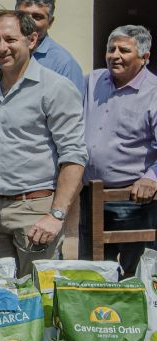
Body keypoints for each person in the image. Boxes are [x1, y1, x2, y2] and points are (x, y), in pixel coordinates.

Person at [0, 10, 86, 275]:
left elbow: (74, 155)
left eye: (10, 39)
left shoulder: (56, 88)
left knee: (38, 297)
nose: (2, 48)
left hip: (35, 211)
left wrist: (56, 215)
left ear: (32, 40)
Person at [80, 25, 157, 274]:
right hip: (90, 195)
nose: (115, 55)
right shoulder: (92, 81)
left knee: (130, 276)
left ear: (145, 57)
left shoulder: (153, 92)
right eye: (111, 49)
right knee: (92, 271)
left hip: (132, 200)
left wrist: (151, 177)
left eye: (124, 50)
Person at [0, 0, 83, 93]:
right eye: (23, 15)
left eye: (37, 17)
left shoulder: (64, 64)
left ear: (50, 22)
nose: (29, 22)